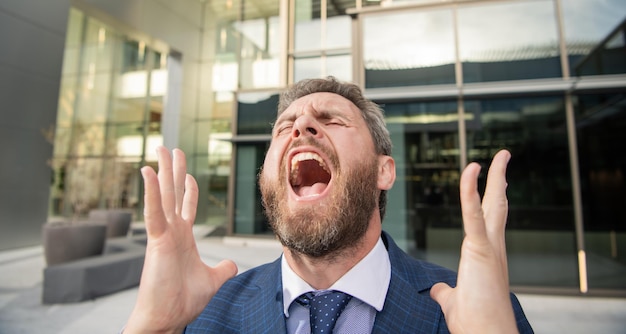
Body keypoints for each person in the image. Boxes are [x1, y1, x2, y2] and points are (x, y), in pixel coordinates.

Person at [124, 77, 533, 333]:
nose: (300, 126)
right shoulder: (205, 316)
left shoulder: (472, 311)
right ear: (264, 175)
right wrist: (152, 328)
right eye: (285, 126)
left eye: (332, 119)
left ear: (383, 171)